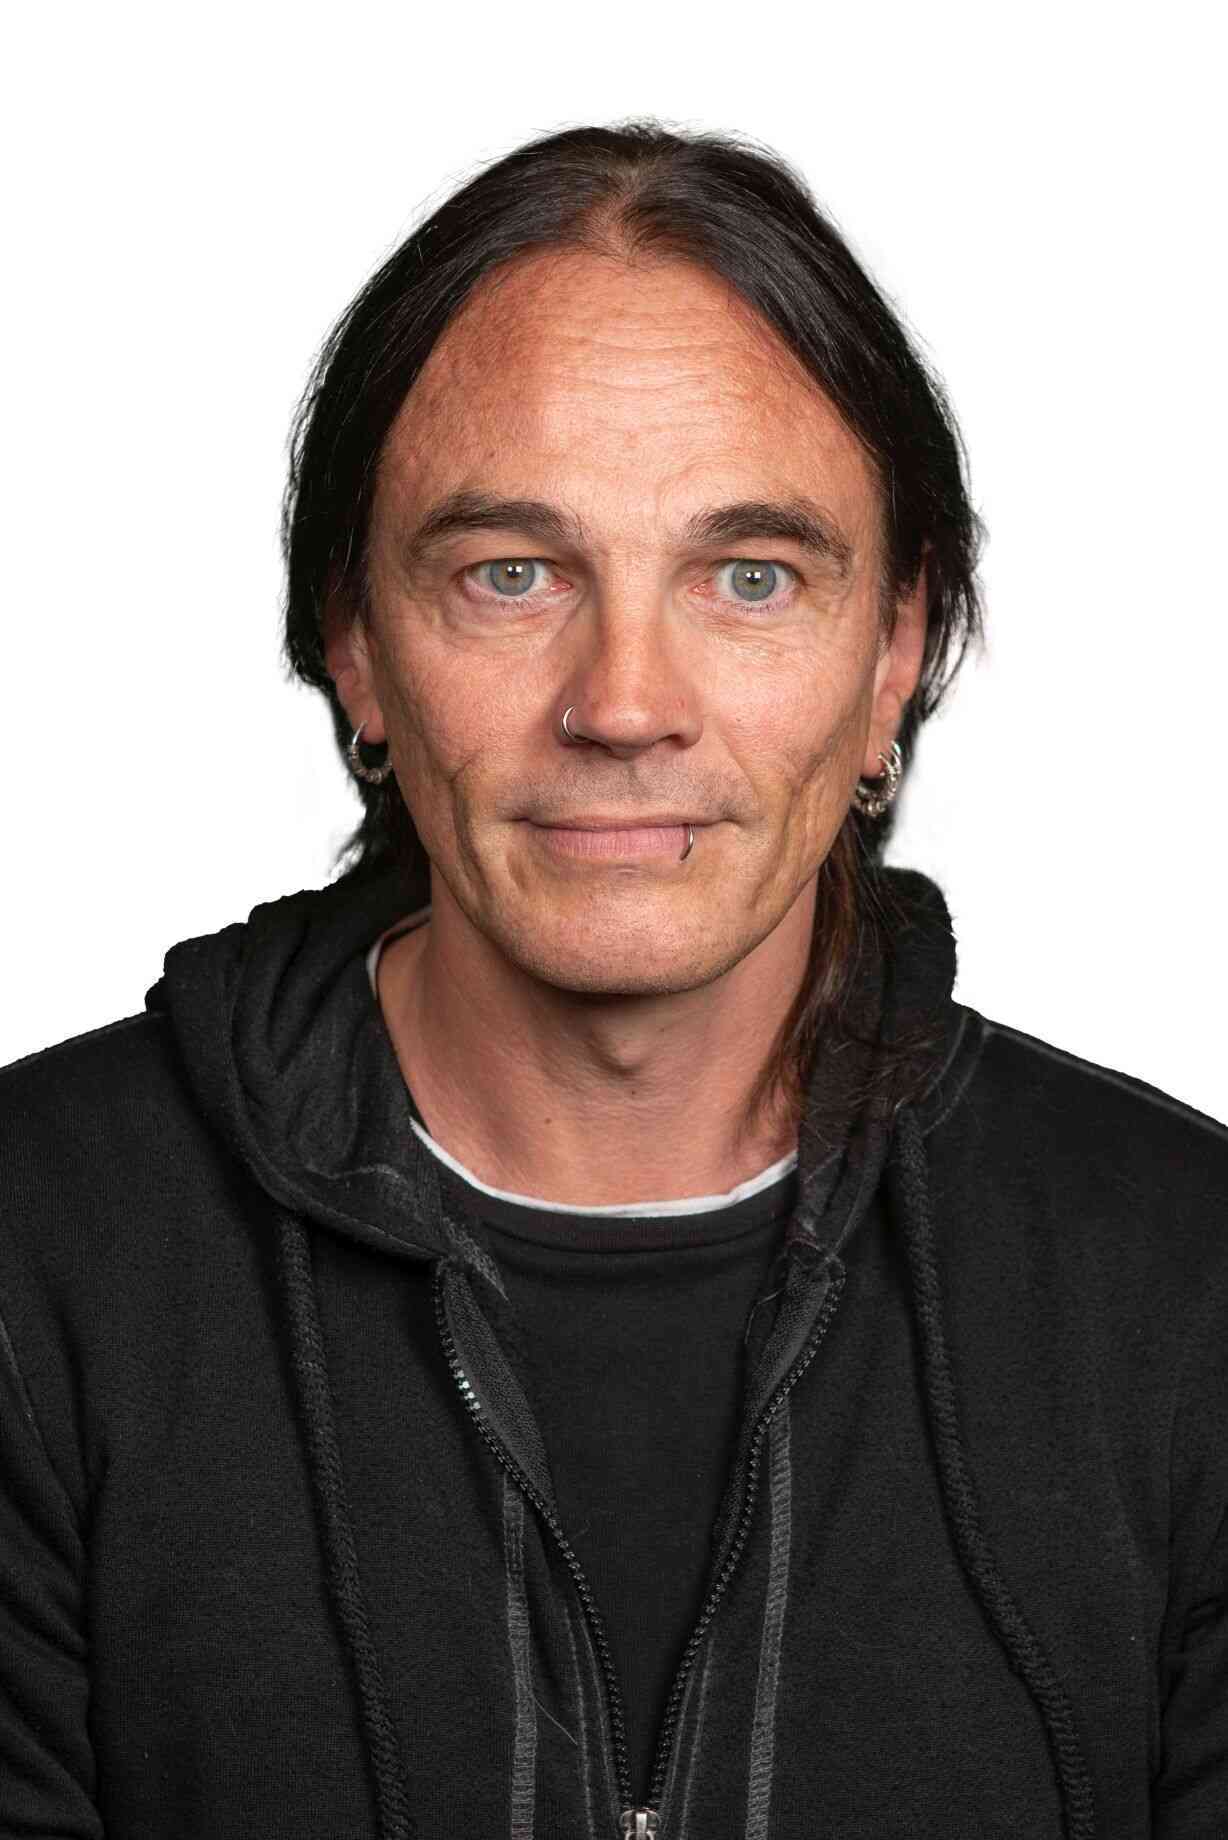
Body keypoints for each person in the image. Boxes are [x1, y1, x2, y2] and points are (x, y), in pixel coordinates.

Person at [1, 119, 1224, 1840]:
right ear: (355, 641)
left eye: (749, 578)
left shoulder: (1187, 1282)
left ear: (895, 652)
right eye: (511, 574)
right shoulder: (36, 1252)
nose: (626, 701)